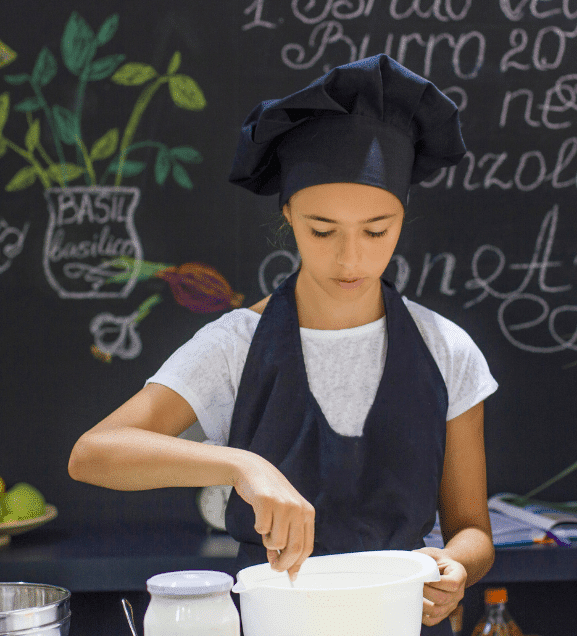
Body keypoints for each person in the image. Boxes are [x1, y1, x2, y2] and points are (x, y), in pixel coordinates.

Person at [69, 54, 498, 635]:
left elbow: (471, 526)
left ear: (402, 217)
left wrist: (456, 566)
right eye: (323, 231)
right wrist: (241, 466)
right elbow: (95, 454)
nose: (351, 259)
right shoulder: (235, 345)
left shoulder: (446, 348)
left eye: (377, 230)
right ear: (289, 216)